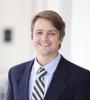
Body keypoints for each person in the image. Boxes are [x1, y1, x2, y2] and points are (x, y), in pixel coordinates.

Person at [7, 10, 90, 100]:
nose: (44, 38)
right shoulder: (15, 73)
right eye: (39, 32)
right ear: (32, 36)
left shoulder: (81, 78)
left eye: (51, 33)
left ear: (61, 37)